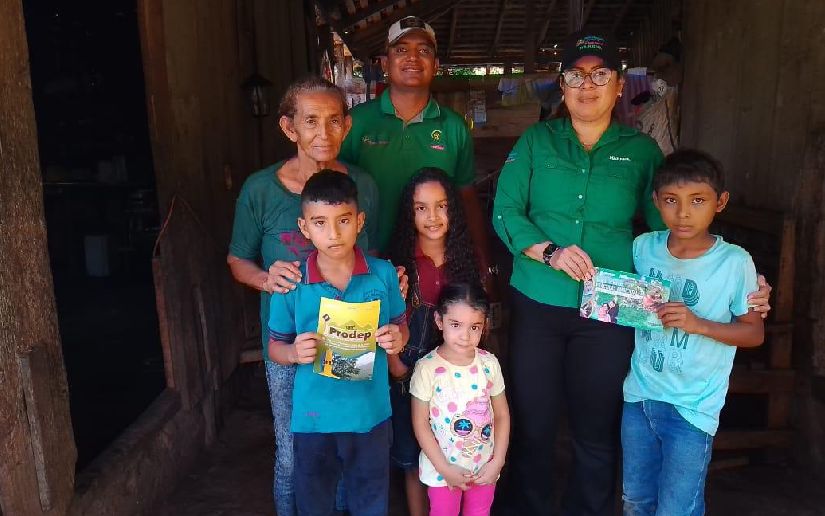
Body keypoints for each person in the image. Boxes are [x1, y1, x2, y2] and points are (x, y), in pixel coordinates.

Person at [491, 31, 772, 515]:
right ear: (562, 85)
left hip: (610, 309)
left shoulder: (641, 151)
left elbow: (674, 225)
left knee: (595, 427)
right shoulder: (537, 141)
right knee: (534, 423)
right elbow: (505, 210)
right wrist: (549, 251)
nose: (587, 85)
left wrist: (743, 283)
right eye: (576, 75)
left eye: (600, 74)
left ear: (619, 86)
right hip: (538, 299)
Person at [226, 77, 378, 516]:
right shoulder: (261, 190)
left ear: (347, 125)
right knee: (294, 453)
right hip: (287, 345)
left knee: (344, 446)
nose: (323, 133)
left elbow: (372, 258)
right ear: (289, 128)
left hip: (348, 337)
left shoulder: (362, 185)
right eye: (311, 121)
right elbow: (237, 259)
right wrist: (265, 279)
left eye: (333, 121)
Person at [622, 149, 765, 515]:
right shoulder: (643, 248)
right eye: (671, 200)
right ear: (656, 201)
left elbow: (753, 333)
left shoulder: (734, 262)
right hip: (639, 396)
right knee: (636, 499)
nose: (683, 213)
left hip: (693, 407)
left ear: (721, 202)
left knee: (678, 507)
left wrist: (698, 324)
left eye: (698, 200)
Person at [267, 170, 408, 515]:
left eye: (343, 220)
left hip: (370, 416)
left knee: (371, 500)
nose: (333, 233)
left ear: (359, 221)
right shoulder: (292, 283)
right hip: (314, 419)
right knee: (314, 503)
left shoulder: (383, 275)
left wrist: (396, 339)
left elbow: (401, 326)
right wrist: (293, 352)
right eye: (320, 223)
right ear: (304, 227)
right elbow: (274, 348)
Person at [339, 16, 496, 291]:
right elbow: (333, 194)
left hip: (437, 269)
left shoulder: (453, 127)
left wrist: (484, 263)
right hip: (366, 263)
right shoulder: (356, 123)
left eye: (423, 50)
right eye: (401, 49)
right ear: (385, 64)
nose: (412, 57)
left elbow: (467, 198)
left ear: (435, 65)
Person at [387, 167, 481, 516]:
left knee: (455, 451)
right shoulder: (397, 267)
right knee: (413, 459)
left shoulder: (465, 262)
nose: (432, 217)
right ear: (409, 213)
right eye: (421, 208)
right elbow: (385, 324)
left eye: (441, 206)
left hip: (457, 380)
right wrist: (397, 368)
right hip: (408, 375)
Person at [410, 282, 510, 516]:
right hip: (442, 470)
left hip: (484, 467)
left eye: (474, 327)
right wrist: (444, 469)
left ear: (484, 325)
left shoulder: (489, 364)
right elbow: (420, 423)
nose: (465, 336)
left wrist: (498, 460)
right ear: (439, 321)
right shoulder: (427, 368)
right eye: (455, 325)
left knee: (480, 512)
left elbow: (502, 414)